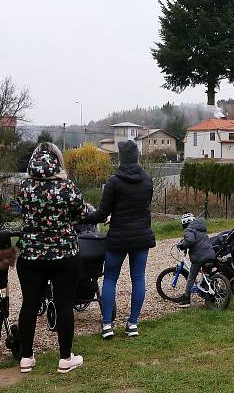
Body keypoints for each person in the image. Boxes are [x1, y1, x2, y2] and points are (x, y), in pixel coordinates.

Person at [15, 142, 84, 374]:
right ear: (58, 160)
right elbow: (82, 213)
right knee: (65, 305)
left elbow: (21, 211)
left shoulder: (24, 186)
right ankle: (65, 358)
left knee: (29, 305)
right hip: (64, 253)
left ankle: (26, 357)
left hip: (30, 254)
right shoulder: (66, 186)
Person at [82, 140, 156, 339]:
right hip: (141, 237)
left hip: (118, 238)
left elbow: (101, 214)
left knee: (110, 278)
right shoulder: (148, 180)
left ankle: (107, 326)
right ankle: (133, 324)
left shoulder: (113, 181)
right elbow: (143, 207)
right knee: (138, 278)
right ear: (137, 157)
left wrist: (82, 218)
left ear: (121, 158)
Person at [178, 213, 216, 307]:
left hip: (199, 257)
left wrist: (182, 245)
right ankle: (208, 298)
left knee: (191, 277)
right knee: (207, 276)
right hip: (210, 255)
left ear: (184, 223)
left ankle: (186, 299)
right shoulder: (201, 229)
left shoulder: (189, 229)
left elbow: (190, 240)